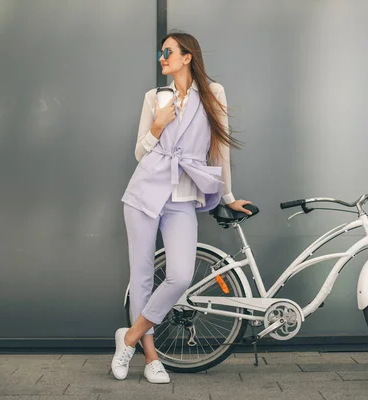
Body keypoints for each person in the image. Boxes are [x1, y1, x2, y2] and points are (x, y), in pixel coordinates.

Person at [111, 32, 252, 384]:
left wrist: (227, 194)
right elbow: (140, 154)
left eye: (168, 52)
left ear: (188, 57)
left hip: (183, 195)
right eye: (161, 53)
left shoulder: (213, 94)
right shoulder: (154, 97)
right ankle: (150, 357)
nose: (162, 57)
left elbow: (220, 150)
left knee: (180, 276)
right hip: (144, 191)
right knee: (142, 276)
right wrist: (158, 126)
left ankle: (127, 337)